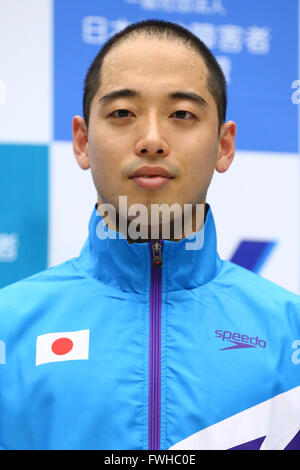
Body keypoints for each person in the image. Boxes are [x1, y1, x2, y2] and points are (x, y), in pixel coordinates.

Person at [0, 19, 299, 451]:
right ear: (82, 141)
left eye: (182, 114)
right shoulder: (9, 327)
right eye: (123, 113)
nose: (152, 140)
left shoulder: (291, 334)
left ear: (224, 145)